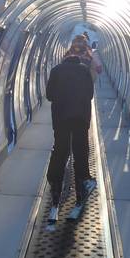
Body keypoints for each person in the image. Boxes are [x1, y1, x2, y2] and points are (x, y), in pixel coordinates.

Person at [45, 43, 97, 221]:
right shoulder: (85, 71)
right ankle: (82, 185)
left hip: (61, 118)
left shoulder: (56, 71)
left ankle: (54, 182)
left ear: (64, 58)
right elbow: (90, 95)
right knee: (80, 151)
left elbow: (49, 96)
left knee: (60, 150)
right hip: (81, 118)